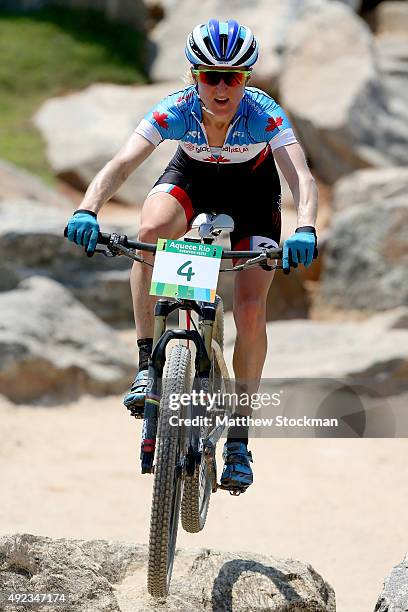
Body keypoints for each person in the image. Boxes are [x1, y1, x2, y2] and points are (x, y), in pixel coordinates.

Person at [66, 19, 318, 492]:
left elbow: (301, 177)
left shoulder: (264, 114)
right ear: (194, 75)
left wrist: (305, 226)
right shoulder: (175, 109)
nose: (222, 87)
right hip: (192, 182)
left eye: (234, 77)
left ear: (247, 78)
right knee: (149, 233)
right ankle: (147, 366)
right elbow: (121, 164)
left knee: (249, 307)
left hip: (253, 197)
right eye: (210, 76)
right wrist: (87, 208)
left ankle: (239, 439)